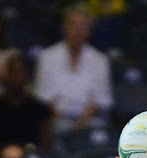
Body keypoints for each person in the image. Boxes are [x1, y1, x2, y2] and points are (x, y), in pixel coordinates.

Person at [35, 2, 114, 135]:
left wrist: (80, 124)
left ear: (89, 30)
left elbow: (100, 100)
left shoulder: (100, 60)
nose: (78, 30)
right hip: (56, 119)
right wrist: (64, 123)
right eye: (73, 25)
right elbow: (45, 99)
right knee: (51, 127)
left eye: (83, 26)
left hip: (89, 120)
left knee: (98, 128)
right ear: (65, 27)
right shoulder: (47, 57)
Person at [0, 51, 52, 153]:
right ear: (5, 75)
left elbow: (45, 148)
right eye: (12, 71)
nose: (16, 76)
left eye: (20, 72)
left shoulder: (40, 109)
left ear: (27, 76)